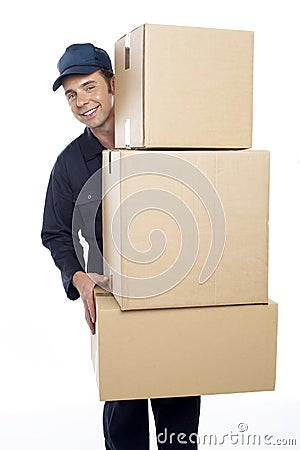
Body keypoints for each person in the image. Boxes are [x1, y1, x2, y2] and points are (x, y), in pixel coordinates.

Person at [41, 43, 201, 450]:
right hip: (115, 300)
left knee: (179, 415)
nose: (82, 102)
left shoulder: (163, 142)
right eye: (72, 95)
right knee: (124, 418)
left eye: (89, 87)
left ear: (113, 84)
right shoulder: (70, 164)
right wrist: (78, 278)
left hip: (174, 296)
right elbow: (55, 232)